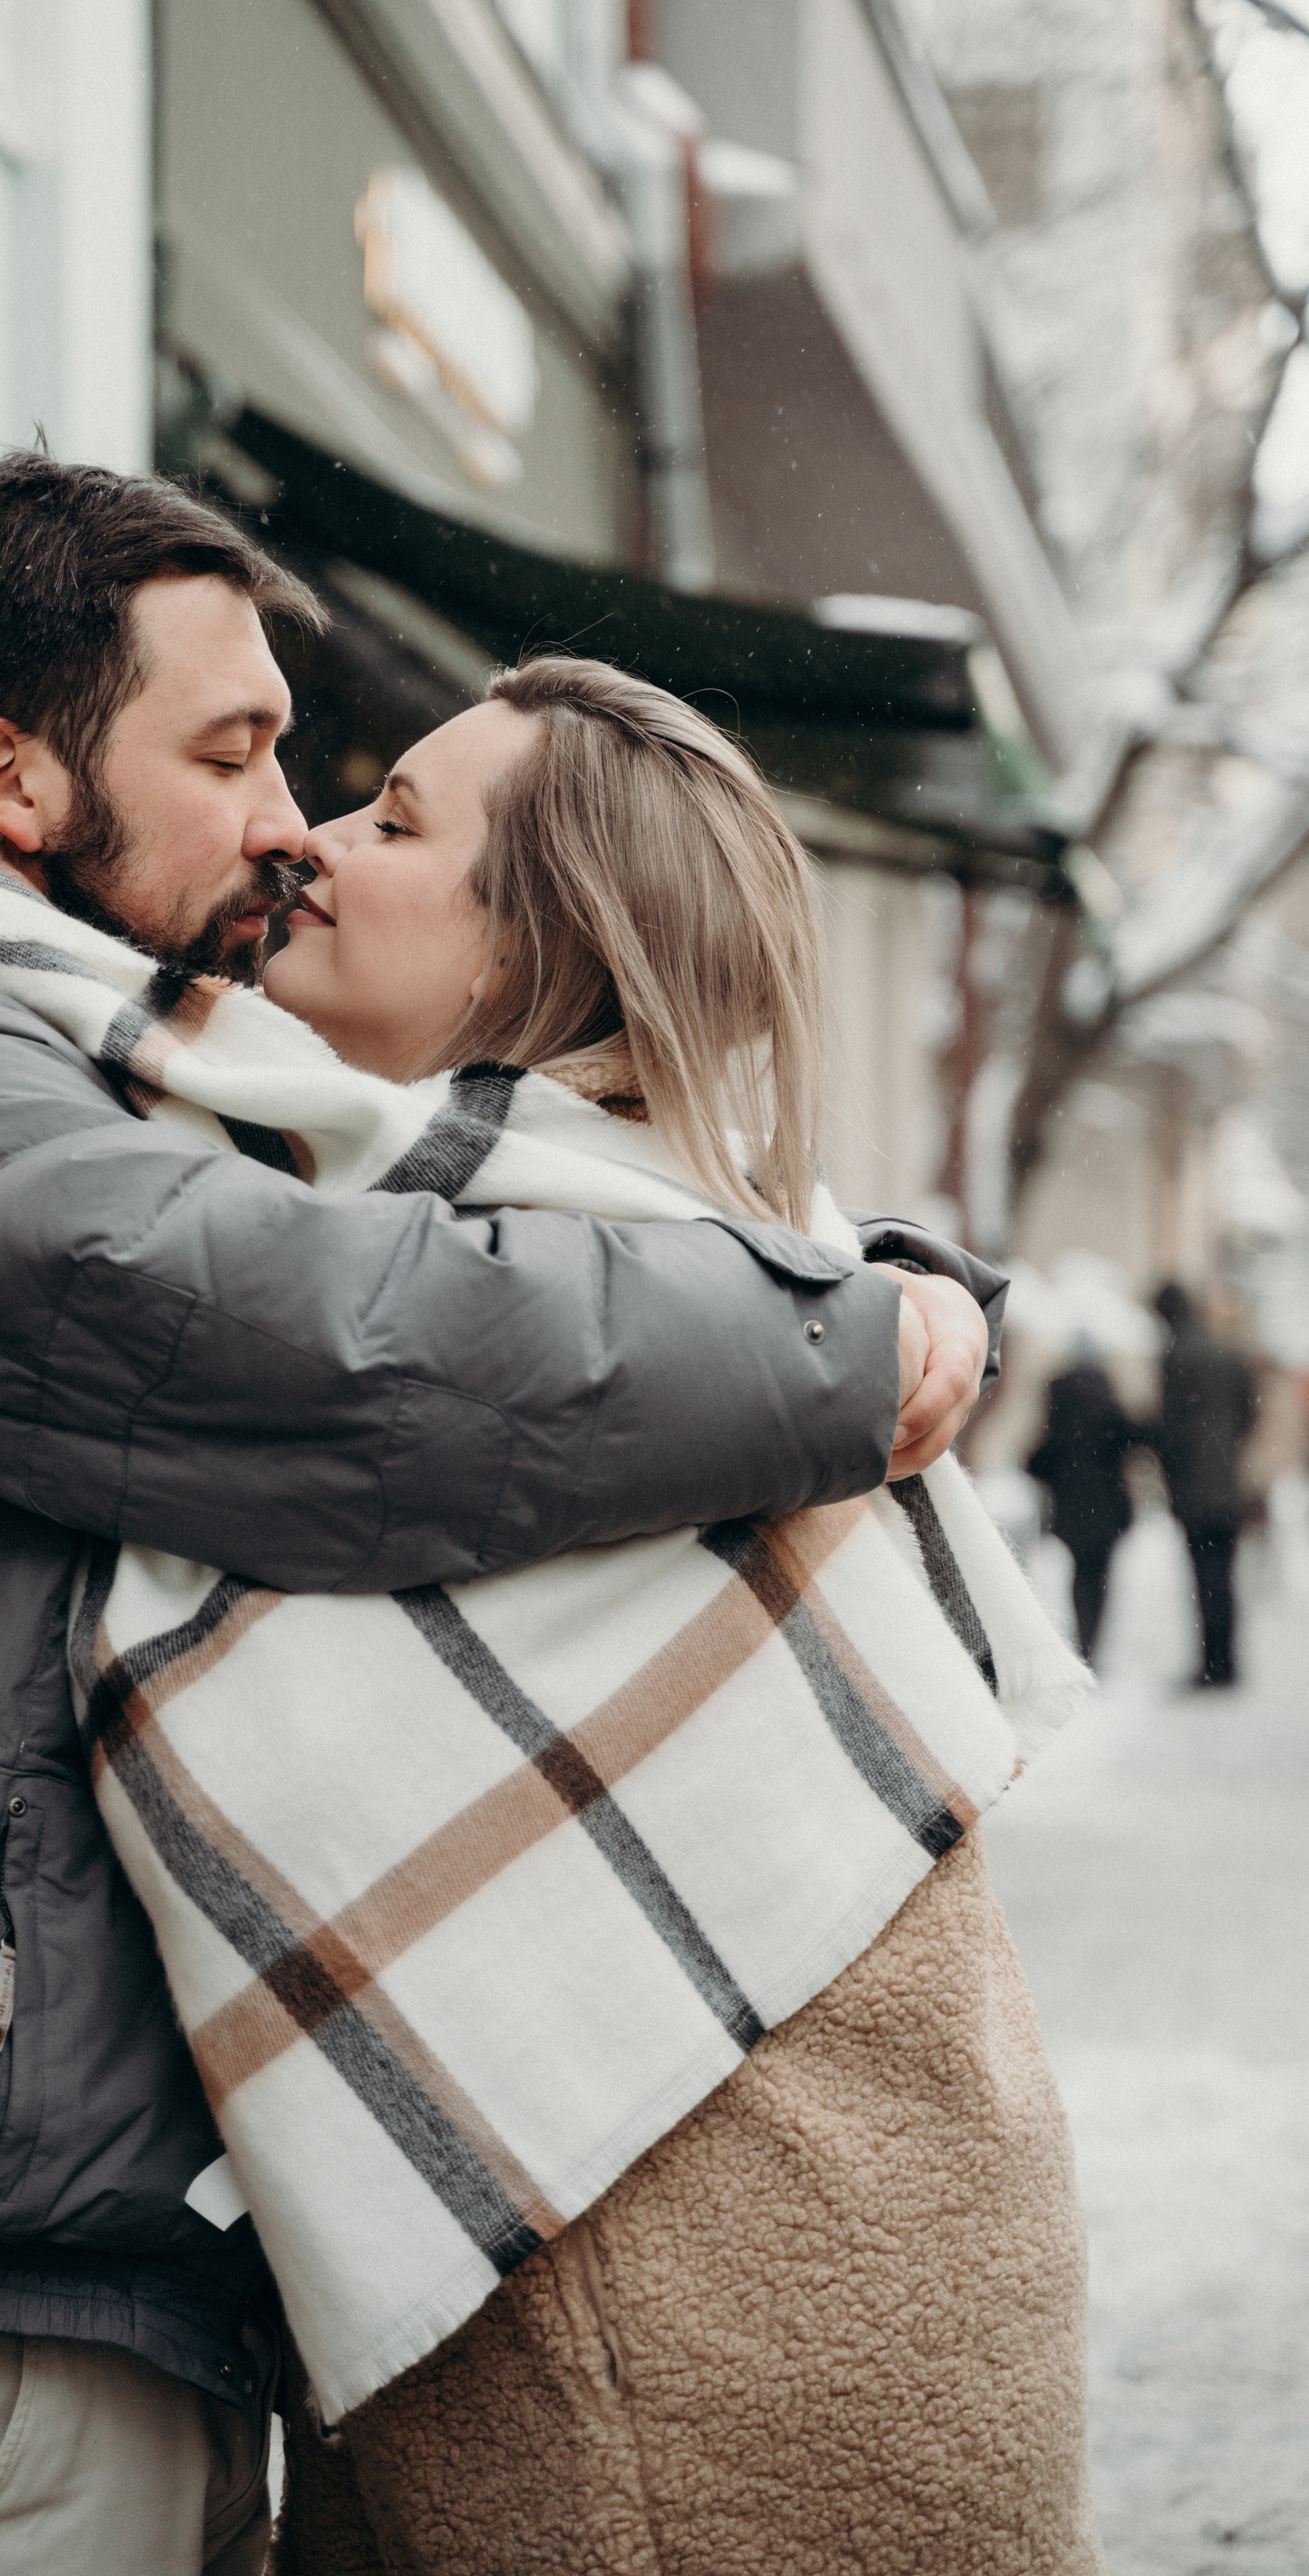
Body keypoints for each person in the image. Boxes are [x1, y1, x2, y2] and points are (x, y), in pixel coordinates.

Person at [0, 454, 997, 2576]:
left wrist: (873, 1259)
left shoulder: (77, 1049)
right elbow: (351, 1340)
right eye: (229, 750)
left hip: (59, 2253)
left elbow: (498, 1185)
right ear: (12, 777)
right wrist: (838, 1343)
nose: (280, 820)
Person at [220, 660, 1089, 2572]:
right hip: (662, 2238)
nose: (311, 840)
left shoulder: (583, 1282)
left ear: (544, 942)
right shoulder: (684, 1262)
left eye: (396, 822)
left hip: (728, 2303)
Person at [1154, 1281, 1256, 1688]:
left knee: (1204, 1578)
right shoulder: (1229, 1353)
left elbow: (1170, 1427)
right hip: (1228, 1484)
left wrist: (1171, 1468)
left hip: (1194, 1487)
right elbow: (1248, 1415)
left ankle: (1212, 1664)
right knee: (1225, 1578)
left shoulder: (1177, 1356)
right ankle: (1226, 1661)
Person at [1027, 1348, 1141, 1661]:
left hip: (1072, 1510)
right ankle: (1094, 1642)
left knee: (1080, 1577)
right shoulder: (1109, 1405)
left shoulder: (1060, 1404)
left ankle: (1085, 1641)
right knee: (1100, 1576)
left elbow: (1039, 1461)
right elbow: (1134, 1439)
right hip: (1108, 1509)